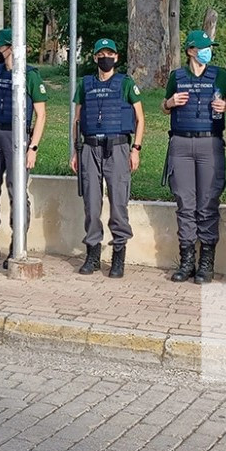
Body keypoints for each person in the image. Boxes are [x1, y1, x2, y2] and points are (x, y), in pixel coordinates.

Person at [0, 28, 47, 268]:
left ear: (11, 48)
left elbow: (41, 114)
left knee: (17, 189)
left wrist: (32, 147)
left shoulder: (30, 75)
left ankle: (17, 243)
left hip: (18, 135)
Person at [162, 30, 226, 284]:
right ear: (191, 51)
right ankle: (186, 261)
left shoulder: (220, 75)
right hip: (181, 142)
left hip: (210, 142)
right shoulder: (177, 76)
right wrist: (170, 102)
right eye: (203, 47)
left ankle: (206, 262)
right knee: (185, 202)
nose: (208, 51)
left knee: (207, 203)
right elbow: (163, 106)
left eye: (210, 47)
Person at [70, 38, 145, 278]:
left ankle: (118, 255)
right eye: (101, 54)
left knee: (118, 204)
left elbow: (140, 119)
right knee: (92, 204)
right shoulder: (86, 84)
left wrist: (136, 149)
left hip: (118, 148)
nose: (105, 58)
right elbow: (77, 120)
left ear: (116, 57)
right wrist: (75, 150)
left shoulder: (125, 83)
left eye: (109, 54)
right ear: (94, 58)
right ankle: (92, 254)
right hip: (90, 148)